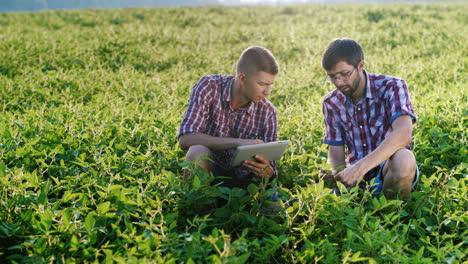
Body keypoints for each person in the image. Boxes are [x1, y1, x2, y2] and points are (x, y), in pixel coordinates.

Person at [320, 38, 419, 199]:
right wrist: (334, 174)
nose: (339, 82)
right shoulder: (331, 102)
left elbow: (403, 134)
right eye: (332, 77)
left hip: (388, 171)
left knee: (404, 158)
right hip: (355, 182)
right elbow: (336, 154)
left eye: (345, 74)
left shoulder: (392, 86)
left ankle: (391, 219)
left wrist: (360, 167)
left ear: (360, 66)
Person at [178, 46, 279, 190]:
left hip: (244, 183)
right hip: (210, 172)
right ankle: (199, 208)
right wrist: (239, 143)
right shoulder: (209, 87)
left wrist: (267, 171)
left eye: (270, 85)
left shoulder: (268, 112)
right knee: (197, 152)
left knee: (274, 207)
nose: (267, 92)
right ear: (242, 78)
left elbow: (271, 168)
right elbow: (185, 139)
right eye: (262, 84)